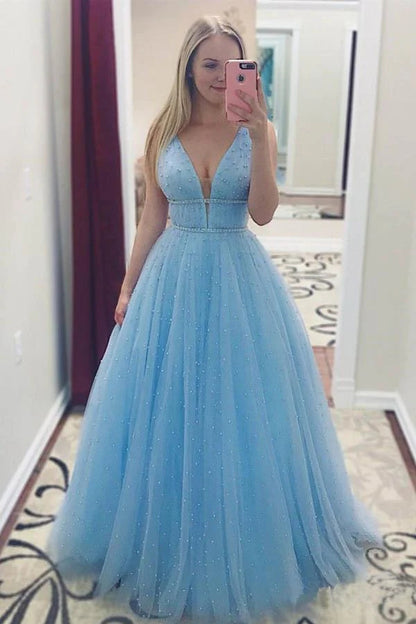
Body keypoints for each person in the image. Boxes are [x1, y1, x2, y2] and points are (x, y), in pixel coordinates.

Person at [45, 14, 383, 624]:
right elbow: (152, 217)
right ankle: (160, 535)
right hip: (170, 281)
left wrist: (258, 136)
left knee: (239, 410)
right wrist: (127, 286)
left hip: (239, 279)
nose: (221, 77)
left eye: (232, 65)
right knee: (166, 408)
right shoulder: (163, 131)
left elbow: (263, 213)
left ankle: (246, 538)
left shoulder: (260, 130)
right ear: (188, 67)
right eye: (209, 65)